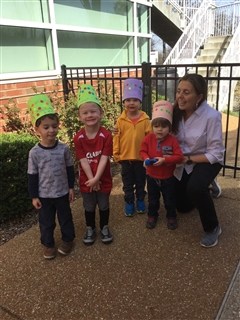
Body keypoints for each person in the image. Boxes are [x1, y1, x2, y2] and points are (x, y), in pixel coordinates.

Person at [172, 73, 225, 248]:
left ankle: (213, 227)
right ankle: (207, 186)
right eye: (179, 91)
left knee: (195, 187)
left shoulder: (211, 116)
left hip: (207, 160)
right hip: (184, 161)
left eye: (186, 92)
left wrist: (188, 159)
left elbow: (216, 153)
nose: (180, 96)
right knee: (183, 208)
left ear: (199, 96)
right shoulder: (175, 111)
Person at [27, 94, 75, 259]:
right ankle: (48, 244)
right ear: (37, 129)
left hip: (62, 192)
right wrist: (34, 196)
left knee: (66, 219)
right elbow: (32, 175)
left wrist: (70, 187)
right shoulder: (34, 153)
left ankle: (68, 240)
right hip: (44, 195)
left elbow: (70, 168)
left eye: (54, 126)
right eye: (46, 127)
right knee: (46, 223)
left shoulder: (63, 148)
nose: (51, 130)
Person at [73, 84, 113, 245]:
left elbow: (104, 158)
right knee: (89, 206)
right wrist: (92, 179)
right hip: (87, 180)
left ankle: (104, 227)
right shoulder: (78, 138)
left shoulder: (106, 135)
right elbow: (83, 160)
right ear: (80, 116)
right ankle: (90, 228)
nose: (90, 115)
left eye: (93, 111)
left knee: (103, 204)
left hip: (102, 179)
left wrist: (97, 178)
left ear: (100, 113)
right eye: (85, 112)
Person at [140, 100, 184, 230]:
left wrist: (165, 160)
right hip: (152, 175)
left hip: (167, 177)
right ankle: (152, 215)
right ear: (152, 126)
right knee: (153, 199)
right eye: (156, 126)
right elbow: (142, 151)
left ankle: (171, 216)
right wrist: (146, 158)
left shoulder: (172, 140)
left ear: (169, 128)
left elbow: (179, 156)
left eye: (164, 127)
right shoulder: (148, 138)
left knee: (169, 199)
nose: (160, 129)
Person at [113, 78, 152, 216]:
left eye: (135, 100)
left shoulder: (146, 120)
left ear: (140, 102)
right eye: (128, 100)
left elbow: (150, 139)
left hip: (141, 159)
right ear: (124, 102)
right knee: (128, 184)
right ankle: (129, 202)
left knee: (141, 183)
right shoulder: (120, 120)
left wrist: (149, 155)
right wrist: (116, 153)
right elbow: (116, 138)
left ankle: (140, 200)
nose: (131, 103)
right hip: (126, 159)